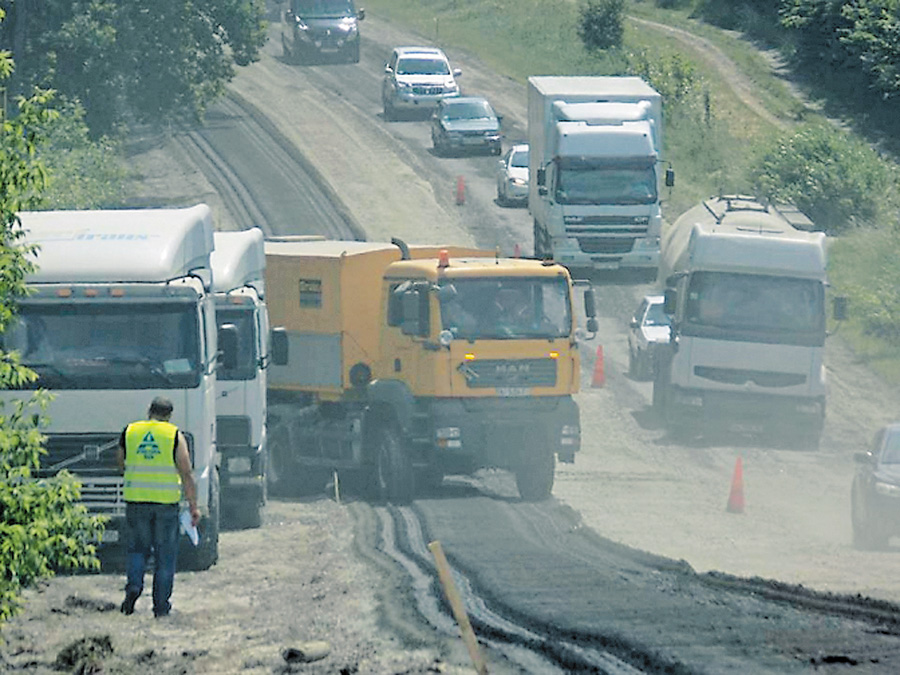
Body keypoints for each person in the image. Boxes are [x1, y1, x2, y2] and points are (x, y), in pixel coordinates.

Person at [116, 396, 199, 618]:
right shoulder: (173, 435)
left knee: (137, 550)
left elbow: (121, 463)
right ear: (169, 415)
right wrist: (193, 507)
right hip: (165, 504)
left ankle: (134, 586)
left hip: (136, 501)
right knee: (165, 556)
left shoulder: (130, 431)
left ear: (149, 411)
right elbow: (186, 471)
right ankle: (161, 607)